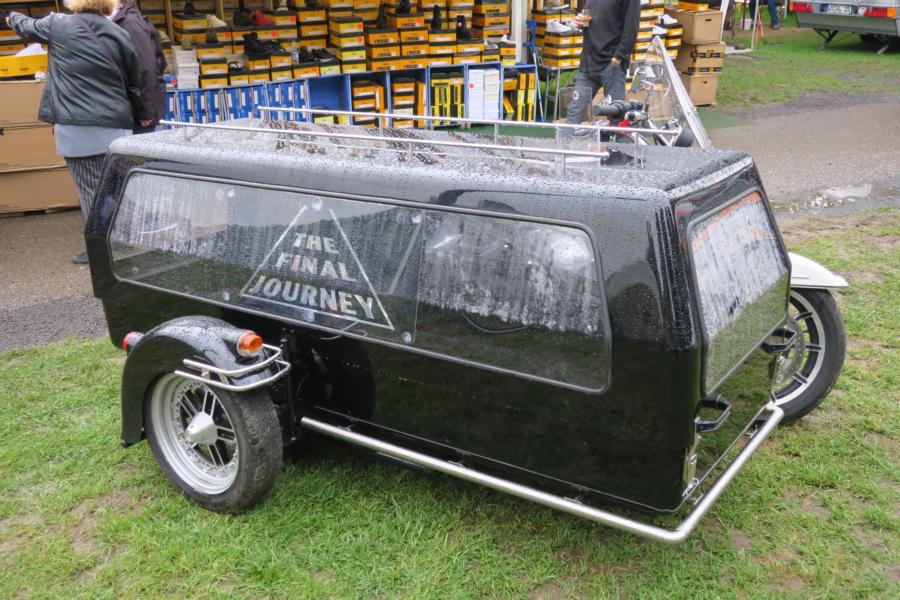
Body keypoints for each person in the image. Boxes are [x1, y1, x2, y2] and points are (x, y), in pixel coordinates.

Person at [6, 0, 142, 264]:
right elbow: (134, 80)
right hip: (117, 124)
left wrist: (12, 16)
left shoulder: (58, 24)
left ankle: (100, 253)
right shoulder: (119, 32)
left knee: (90, 189)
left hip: (78, 126)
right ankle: (123, 239)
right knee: (115, 186)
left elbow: (26, 27)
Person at [566, 0, 640, 123]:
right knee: (574, 112)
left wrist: (617, 58)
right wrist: (581, 22)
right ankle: (566, 136)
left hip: (612, 66)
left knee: (617, 116)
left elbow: (631, 28)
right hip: (588, 64)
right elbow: (591, 18)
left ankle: (617, 136)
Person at [111, 0, 167, 133]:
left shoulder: (129, 23)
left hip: (139, 112)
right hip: (131, 107)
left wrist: (145, 111)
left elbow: (145, 67)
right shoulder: (121, 21)